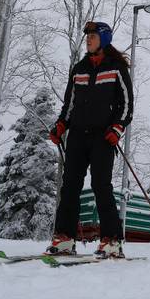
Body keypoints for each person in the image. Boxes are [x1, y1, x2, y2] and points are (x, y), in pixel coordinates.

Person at [47, 21, 133, 259]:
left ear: (104, 39)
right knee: (70, 185)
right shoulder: (79, 69)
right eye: (87, 36)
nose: (88, 39)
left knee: (100, 185)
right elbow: (69, 104)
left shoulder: (116, 68)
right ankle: (65, 238)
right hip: (77, 135)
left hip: (103, 137)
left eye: (93, 36)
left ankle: (112, 240)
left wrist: (117, 128)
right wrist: (61, 125)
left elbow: (127, 105)